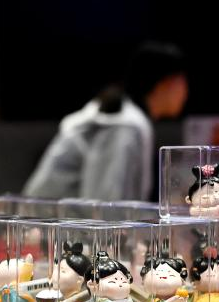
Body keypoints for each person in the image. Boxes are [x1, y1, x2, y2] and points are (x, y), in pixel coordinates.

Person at [23, 42, 187, 201]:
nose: (185, 91)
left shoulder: (129, 118)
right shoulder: (123, 125)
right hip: (46, 217)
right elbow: (106, 204)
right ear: (166, 83)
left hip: (57, 216)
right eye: (183, 82)